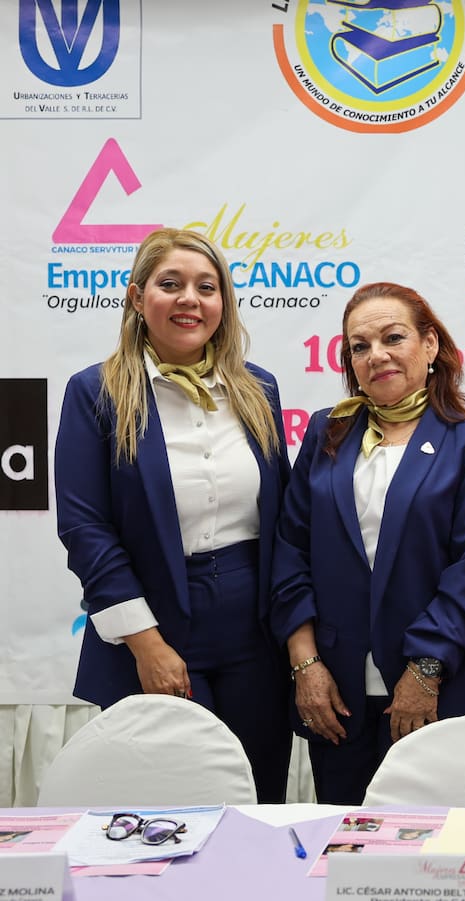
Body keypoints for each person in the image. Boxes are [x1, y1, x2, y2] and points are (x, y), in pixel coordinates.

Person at [55, 227, 292, 802]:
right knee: (167, 805)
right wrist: (146, 645)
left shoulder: (258, 389)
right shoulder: (95, 393)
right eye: (171, 284)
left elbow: (282, 518)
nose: (190, 298)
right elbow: (85, 529)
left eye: (206, 287)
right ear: (138, 298)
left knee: (255, 798)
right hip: (154, 619)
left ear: (223, 304)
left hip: (253, 629)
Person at [270, 282, 465, 805]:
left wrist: (424, 670)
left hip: (438, 690)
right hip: (335, 696)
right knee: (346, 854)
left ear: (429, 346)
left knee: (440, 861)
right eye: (359, 346)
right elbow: (290, 550)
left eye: (392, 338)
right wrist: (305, 665)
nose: (376, 355)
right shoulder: (324, 434)